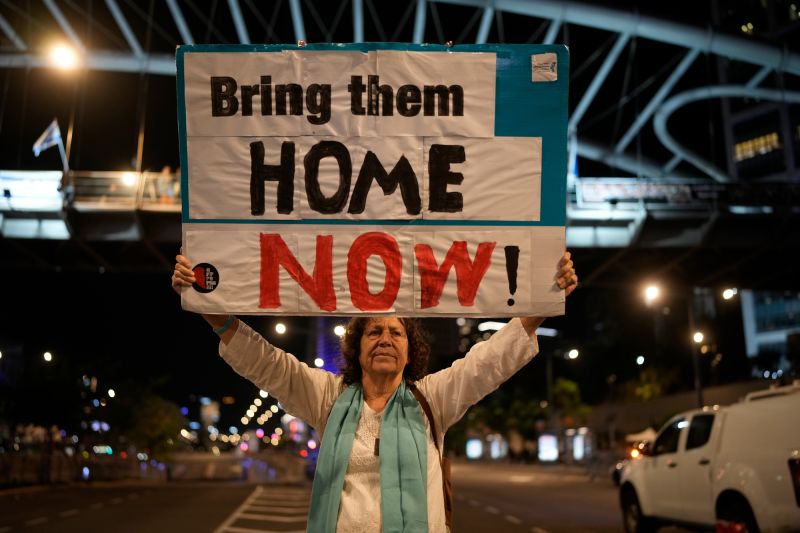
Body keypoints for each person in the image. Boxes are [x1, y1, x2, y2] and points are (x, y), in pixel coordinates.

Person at [171, 251, 577, 532]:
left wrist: (544, 299)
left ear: (409, 349)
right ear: (357, 345)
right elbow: (267, 363)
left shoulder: (431, 398)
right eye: (374, 331)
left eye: (396, 332)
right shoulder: (327, 397)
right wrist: (209, 306)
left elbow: (489, 361)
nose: (385, 337)